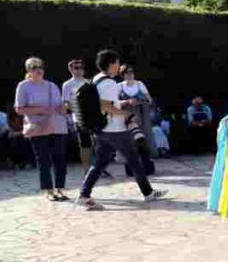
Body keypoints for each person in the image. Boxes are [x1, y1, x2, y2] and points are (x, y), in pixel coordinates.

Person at [75, 50, 167, 210]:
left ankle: (84, 194)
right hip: (115, 129)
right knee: (134, 160)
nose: (119, 65)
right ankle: (148, 193)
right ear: (111, 64)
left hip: (102, 129)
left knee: (100, 163)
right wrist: (126, 114)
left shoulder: (97, 79)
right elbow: (105, 105)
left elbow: (106, 103)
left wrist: (122, 103)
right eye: (117, 62)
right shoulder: (109, 83)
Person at [14, 57, 70, 201]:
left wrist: (64, 108)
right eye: (34, 67)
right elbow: (19, 109)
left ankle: (60, 189)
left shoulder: (52, 85)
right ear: (28, 71)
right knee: (43, 160)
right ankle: (49, 191)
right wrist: (41, 110)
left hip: (56, 125)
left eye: (40, 67)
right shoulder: (23, 86)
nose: (39, 70)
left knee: (60, 158)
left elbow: (60, 106)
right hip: (37, 127)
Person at [118, 65, 156, 177]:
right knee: (130, 141)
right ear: (123, 75)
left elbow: (149, 100)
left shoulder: (140, 84)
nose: (130, 74)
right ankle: (130, 169)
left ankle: (147, 167)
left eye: (131, 72)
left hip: (142, 117)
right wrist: (127, 102)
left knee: (144, 140)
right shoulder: (119, 86)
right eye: (127, 72)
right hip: (127, 117)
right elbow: (114, 102)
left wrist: (141, 101)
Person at [61, 59, 92, 169]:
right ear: (71, 69)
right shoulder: (67, 84)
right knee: (84, 144)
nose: (80, 70)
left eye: (81, 68)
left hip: (93, 117)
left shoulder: (89, 82)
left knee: (97, 143)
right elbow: (66, 102)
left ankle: (98, 168)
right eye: (77, 68)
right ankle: (87, 170)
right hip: (79, 118)